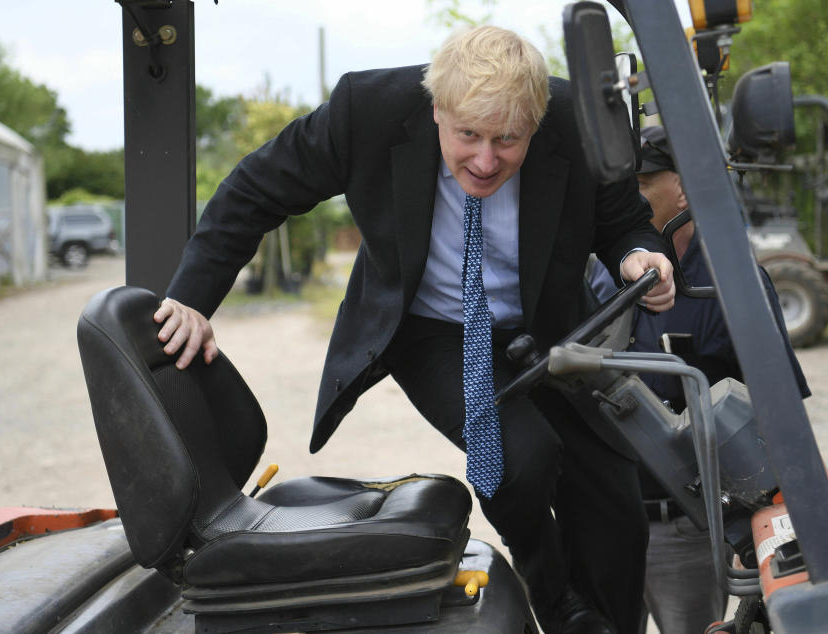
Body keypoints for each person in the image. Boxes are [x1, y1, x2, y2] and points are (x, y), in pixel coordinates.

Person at [153, 26, 675, 634]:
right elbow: (255, 190)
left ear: (538, 121)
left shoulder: (581, 124)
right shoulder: (365, 111)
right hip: (436, 330)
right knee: (521, 456)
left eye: (508, 140)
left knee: (615, 503)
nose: (485, 161)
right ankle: (553, 593)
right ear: (436, 110)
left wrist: (641, 257)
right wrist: (190, 299)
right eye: (469, 136)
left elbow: (625, 225)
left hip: (551, 326)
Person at [589, 125, 809, 634]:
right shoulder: (597, 270)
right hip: (600, 516)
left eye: (641, 184)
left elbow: (779, 416)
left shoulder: (733, 281)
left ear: (684, 187)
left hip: (684, 525)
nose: (627, 199)